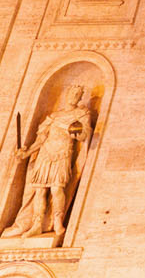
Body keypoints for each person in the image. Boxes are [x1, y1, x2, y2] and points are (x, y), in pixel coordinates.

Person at [8, 85, 94, 238]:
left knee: (56, 189)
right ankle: (37, 224)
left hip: (62, 154)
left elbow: (84, 135)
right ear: (67, 94)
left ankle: (57, 221)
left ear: (80, 98)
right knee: (40, 190)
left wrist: (77, 133)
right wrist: (27, 153)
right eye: (72, 93)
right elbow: (41, 139)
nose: (74, 96)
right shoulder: (54, 116)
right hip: (45, 154)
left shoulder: (81, 114)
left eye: (77, 94)